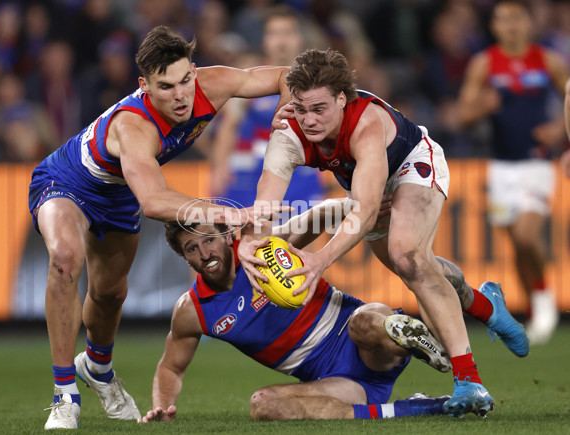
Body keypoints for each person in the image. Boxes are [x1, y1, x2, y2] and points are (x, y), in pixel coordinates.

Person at [236, 47, 531, 419]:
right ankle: (486, 304)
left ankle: (469, 381)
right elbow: (268, 198)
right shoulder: (287, 132)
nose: (308, 120)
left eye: (319, 109)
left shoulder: (366, 124)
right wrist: (254, 242)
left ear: (342, 99)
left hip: (412, 163)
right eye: (300, 108)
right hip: (365, 183)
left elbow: (365, 211)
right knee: (416, 265)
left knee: (409, 257)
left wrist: (319, 261)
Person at [28, 25, 290, 430]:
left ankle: (98, 368)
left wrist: (283, 114)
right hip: (66, 183)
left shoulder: (212, 84)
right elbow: (153, 202)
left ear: (194, 71)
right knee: (65, 258)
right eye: (166, 87)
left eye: (186, 80)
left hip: (119, 196)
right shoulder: (134, 126)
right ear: (144, 86)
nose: (181, 94)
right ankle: (65, 393)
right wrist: (228, 214)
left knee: (111, 293)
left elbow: (282, 76)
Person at [139, 199, 454, 423]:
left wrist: (359, 207)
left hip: (362, 337)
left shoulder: (264, 249)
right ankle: (411, 409)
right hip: (337, 382)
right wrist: (161, 407)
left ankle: (418, 337)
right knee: (263, 406)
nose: (204, 253)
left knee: (366, 324)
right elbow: (170, 368)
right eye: (191, 249)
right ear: (185, 258)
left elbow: (317, 216)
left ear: (227, 234)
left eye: (209, 239)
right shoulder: (193, 310)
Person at [457, 0, 568, 344]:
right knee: (516, 245)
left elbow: (569, 98)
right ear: (495, 27)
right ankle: (537, 307)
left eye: (517, 19)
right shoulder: (485, 63)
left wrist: (559, 130)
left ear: (528, 23)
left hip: (536, 162)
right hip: (500, 166)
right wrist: (481, 106)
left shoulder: (548, 60)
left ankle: (544, 299)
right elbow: (463, 115)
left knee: (525, 235)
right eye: (504, 20)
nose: (511, 26)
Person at [209, 5, 324, 209]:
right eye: (274, 33)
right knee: (253, 237)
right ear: (265, 40)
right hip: (253, 175)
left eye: (288, 33)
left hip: (302, 174)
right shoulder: (250, 78)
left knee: (302, 236)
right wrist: (219, 168)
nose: (281, 41)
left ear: (300, 38)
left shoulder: (319, 81)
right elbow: (229, 124)